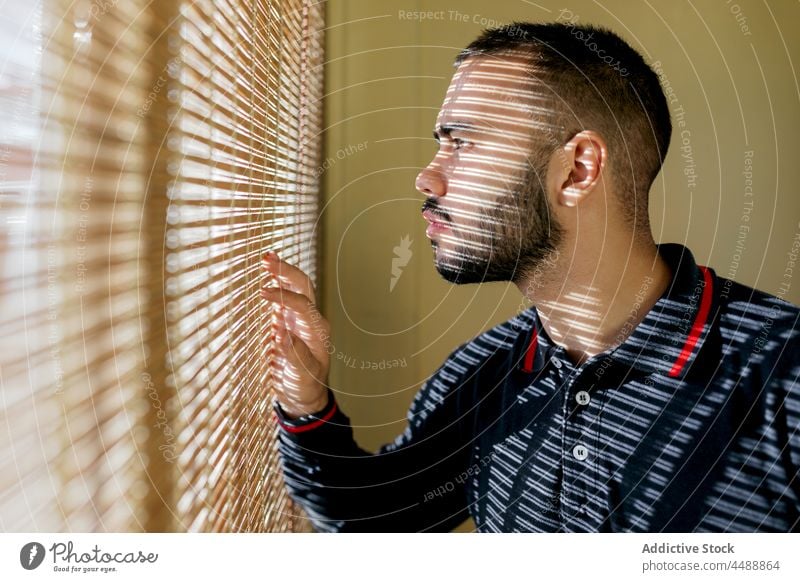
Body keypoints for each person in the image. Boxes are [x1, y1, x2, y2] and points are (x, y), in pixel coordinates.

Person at [259, 22, 800, 532]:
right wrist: (305, 400)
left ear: (577, 169)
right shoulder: (483, 377)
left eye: (463, 142)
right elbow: (379, 520)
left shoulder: (783, 374)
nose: (428, 176)